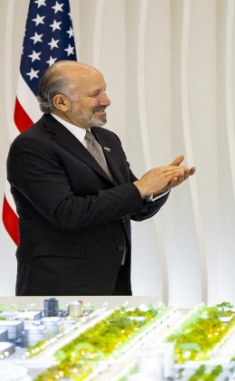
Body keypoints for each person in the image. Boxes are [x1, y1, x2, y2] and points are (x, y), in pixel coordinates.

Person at [7, 61, 195, 296]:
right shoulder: (32, 146)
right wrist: (140, 188)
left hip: (113, 281)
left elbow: (133, 207)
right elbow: (66, 213)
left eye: (104, 91)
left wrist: (157, 189)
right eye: (96, 94)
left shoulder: (107, 139)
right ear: (61, 102)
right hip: (61, 287)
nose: (106, 101)